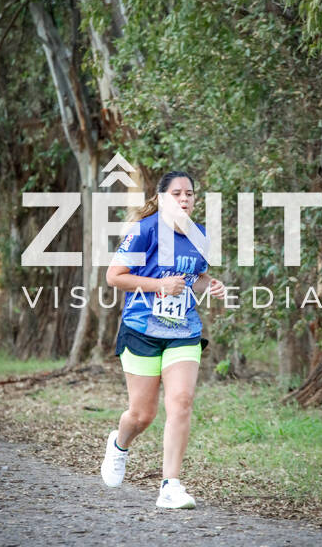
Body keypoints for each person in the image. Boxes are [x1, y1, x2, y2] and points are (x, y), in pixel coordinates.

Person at [101, 170, 225, 509]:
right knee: (142, 415)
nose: (184, 199)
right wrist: (159, 286)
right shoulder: (144, 230)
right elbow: (114, 276)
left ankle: (170, 485)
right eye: (176, 193)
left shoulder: (200, 235)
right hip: (142, 329)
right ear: (160, 198)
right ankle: (119, 445)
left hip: (183, 330)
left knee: (181, 401)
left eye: (189, 194)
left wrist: (211, 285)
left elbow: (194, 277)